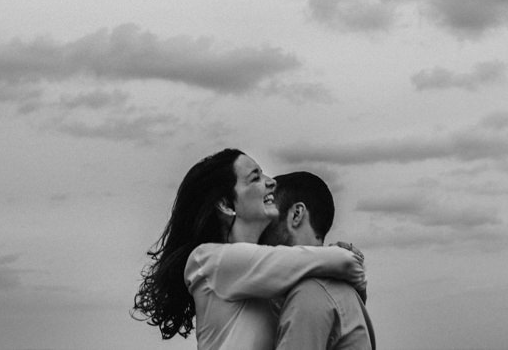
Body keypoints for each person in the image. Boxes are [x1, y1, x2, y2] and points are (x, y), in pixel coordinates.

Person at [134, 148, 365, 350]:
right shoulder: (211, 261)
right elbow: (343, 262)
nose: (271, 181)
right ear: (226, 205)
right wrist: (349, 267)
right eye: (255, 178)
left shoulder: (267, 281)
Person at [264, 172, 376, 350]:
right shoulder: (336, 288)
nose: (262, 222)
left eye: (268, 212)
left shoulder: (309, 295)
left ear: (296, 214)